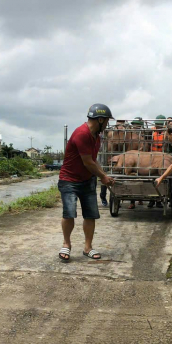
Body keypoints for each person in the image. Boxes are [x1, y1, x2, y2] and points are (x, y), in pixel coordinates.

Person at [58, 103, 114, 263]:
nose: (108, 124)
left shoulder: (97, 136)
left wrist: (104, 175)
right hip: (69, 180)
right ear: (101, 119)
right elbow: (87, 162)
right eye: (107, 121)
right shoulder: (82, 134)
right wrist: (103, 177)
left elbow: (93, 160)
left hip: (87, 180)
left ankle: (87, 247)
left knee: (90, 214)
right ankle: (66, 244)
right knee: (69, 213)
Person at [148, 115, 166, 208]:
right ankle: (151, 200)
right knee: (150, 178)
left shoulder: (166, 133)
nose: (158, 126)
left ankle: (158, 200)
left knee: (160, 180)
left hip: (162, 158)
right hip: (152, 157)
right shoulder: (151, 131)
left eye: (160, 124)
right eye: (157, 124)